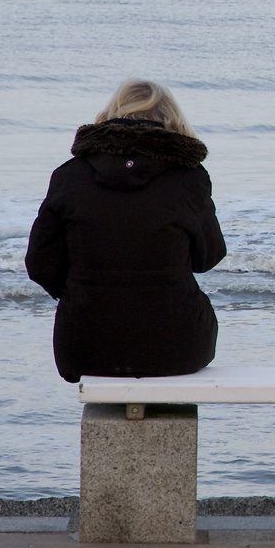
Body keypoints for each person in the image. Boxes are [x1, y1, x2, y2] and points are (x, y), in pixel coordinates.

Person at [26, 80, 227, 383]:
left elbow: (40, 263)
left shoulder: (70, 175)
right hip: (177, 346)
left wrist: (79, 294)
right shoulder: (188, 179)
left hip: (85, 344)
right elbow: (208, 257)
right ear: (172, 120)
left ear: (112, 114)